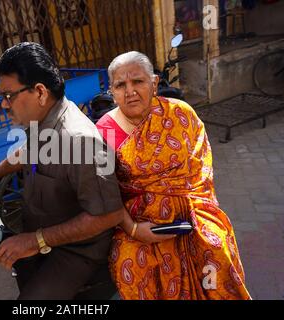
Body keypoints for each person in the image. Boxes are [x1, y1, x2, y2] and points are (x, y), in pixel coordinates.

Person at [0, 42, 124, 300]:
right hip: (41, 233)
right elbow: (27, 152)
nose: (4, 105)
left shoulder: (80, 141)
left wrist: (35, 241)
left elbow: (109, 215)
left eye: (9, 96)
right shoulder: (40, 120)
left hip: (78, 252)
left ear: (40, 92)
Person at [96, 51, 251, 300]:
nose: (130, 91)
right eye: (120, 85)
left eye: (138, 81)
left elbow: (200, 170)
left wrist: (193, 213)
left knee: (215, 247)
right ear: (112, 92)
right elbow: (105, 192)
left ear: (154, 83)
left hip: (190, 213)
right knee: (130, 263)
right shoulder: (103, 132)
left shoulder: (180, 114)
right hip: (137, 219)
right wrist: (135, 229)